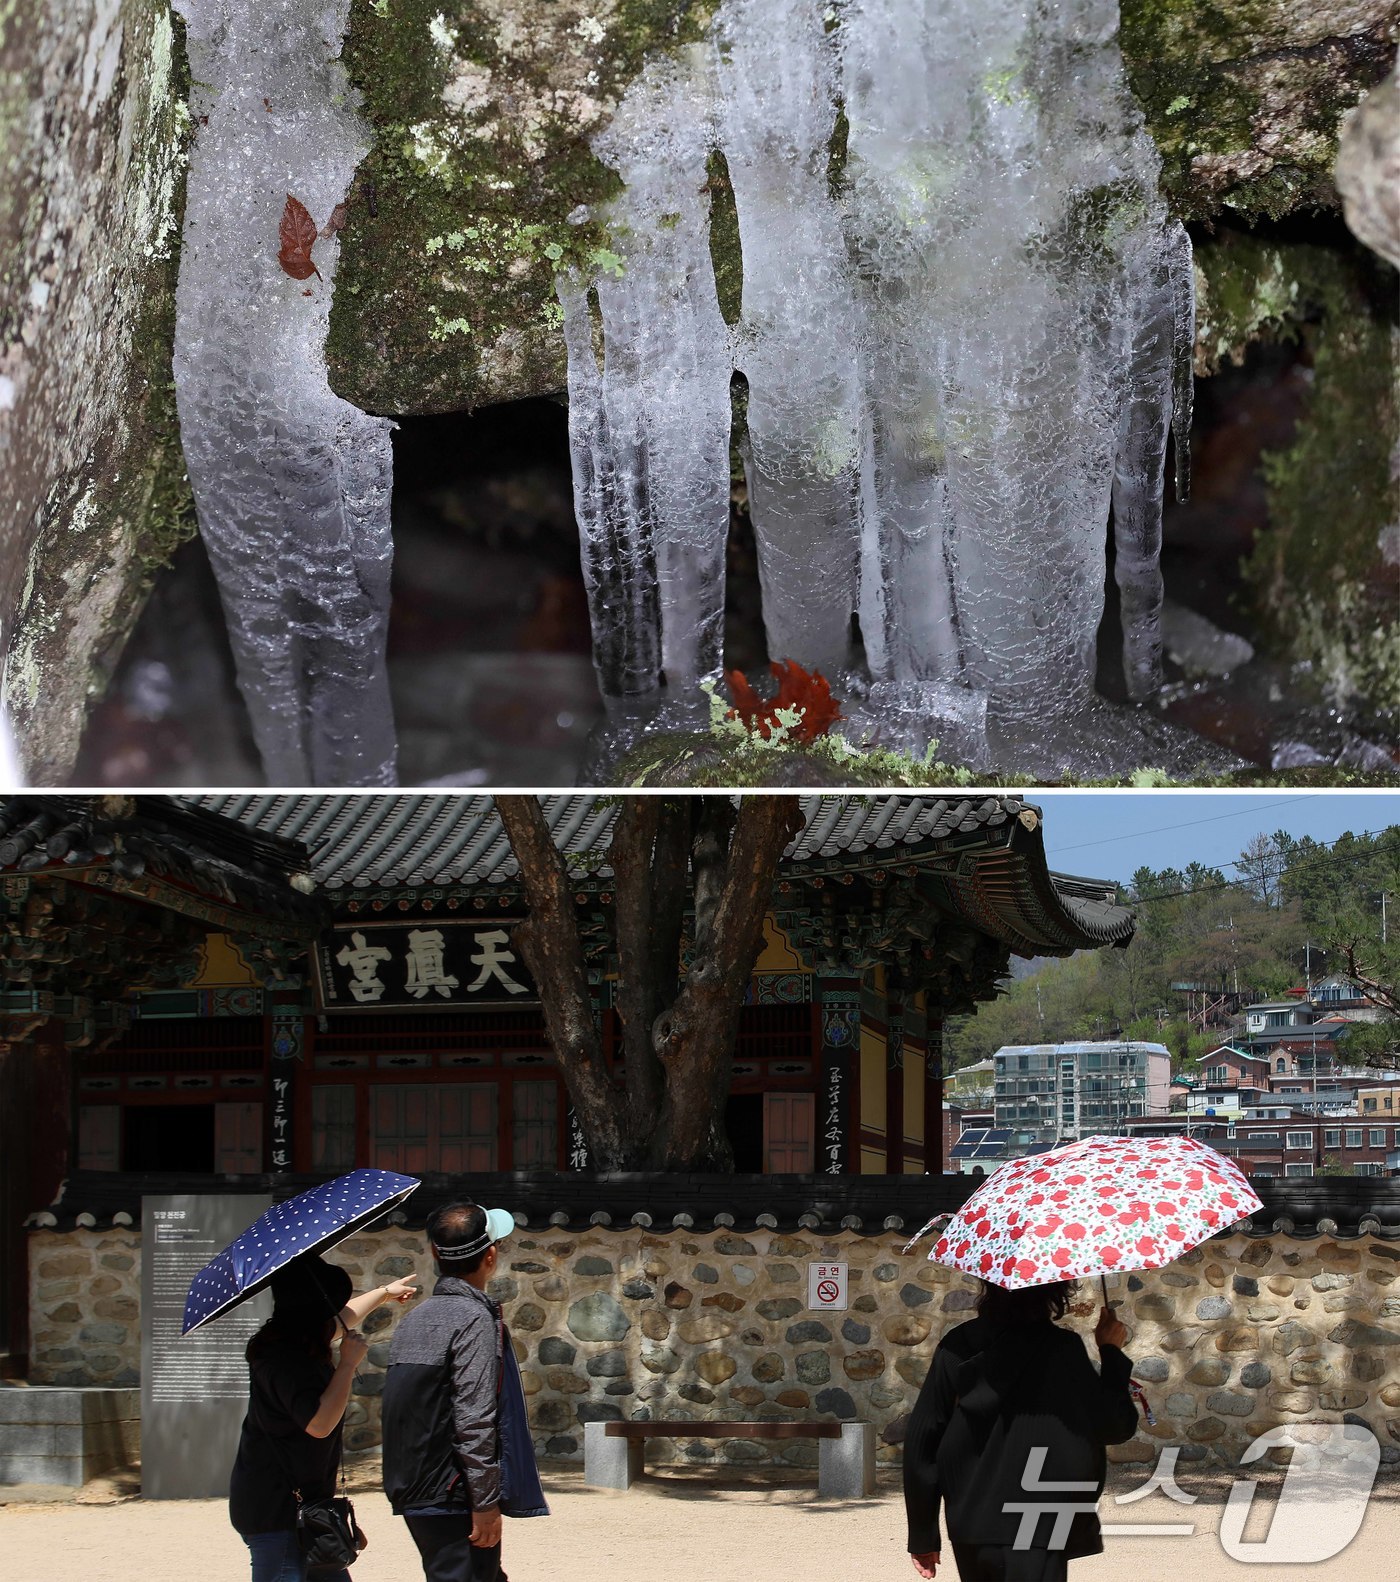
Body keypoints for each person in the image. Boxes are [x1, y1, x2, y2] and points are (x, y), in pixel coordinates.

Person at [902, 1280, 1137, 1582]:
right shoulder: (1062, 1349)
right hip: (1041, 1520)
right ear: (1054, 1289)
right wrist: (1111, 1351)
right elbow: (1114, 1426)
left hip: (973, 1521)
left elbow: (923, 1438)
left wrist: (923, 1535)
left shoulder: (958, 1345)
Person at [229, 1255, 419, 1582]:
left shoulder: (297, 1335)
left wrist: (385, 1292)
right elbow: (319, 1424)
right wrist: (347, 1365)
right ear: (312, 1311)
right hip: (275, 1509)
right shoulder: (281, 1358)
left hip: (306, 1508)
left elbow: (346, 1316)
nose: (336, 1313)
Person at [382, 1202, 519, 1582]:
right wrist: (485, 1501)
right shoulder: (473, 1319)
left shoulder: (414, 1319)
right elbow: (474, 1417)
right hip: (452, 1492)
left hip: (415, 1486)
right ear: (490, 1257)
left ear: (434, 1252)